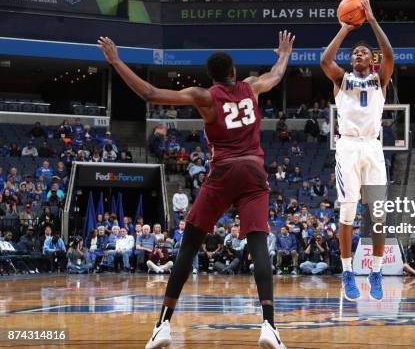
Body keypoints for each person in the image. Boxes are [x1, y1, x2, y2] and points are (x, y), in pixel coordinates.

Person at [98, 31, 295, 349]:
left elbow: (149, 93)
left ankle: (162, 324)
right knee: (258, 244)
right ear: (234, 72)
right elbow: (276, 74)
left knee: (189, 245)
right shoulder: (252, 87)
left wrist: (116, 60)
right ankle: (269, 326)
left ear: (212, 77)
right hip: (254, 172)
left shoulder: (205, 96)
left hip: (223, 172)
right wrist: (284, 52)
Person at [320, 0, 393, 301]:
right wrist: (345, 29)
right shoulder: (342, 79)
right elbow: (325, 60)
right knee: (348, 211)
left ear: (371, 60)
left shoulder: (380, 80)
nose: (359, 54)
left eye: (365, 52)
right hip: (348, 147)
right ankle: (348, 271)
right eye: (356, 53)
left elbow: (390, 53)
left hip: (373, 147)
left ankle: (376, 272)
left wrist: (372, 20)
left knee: (377, 215)